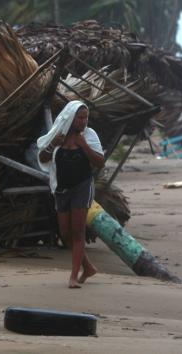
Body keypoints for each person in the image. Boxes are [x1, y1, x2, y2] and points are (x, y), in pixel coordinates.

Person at [37, 100, 105, 288]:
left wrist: (84, 146)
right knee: (65, 233)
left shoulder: (89, 135)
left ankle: (73, 276)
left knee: (78, 231)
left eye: (86, 118)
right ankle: (88, 267)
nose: (83, 121)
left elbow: (100, 162)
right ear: (70, 118)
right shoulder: (58, 136)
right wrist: (52, 145)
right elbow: (42, 158)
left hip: (82, 186)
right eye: (80, 117)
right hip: (61, 189)